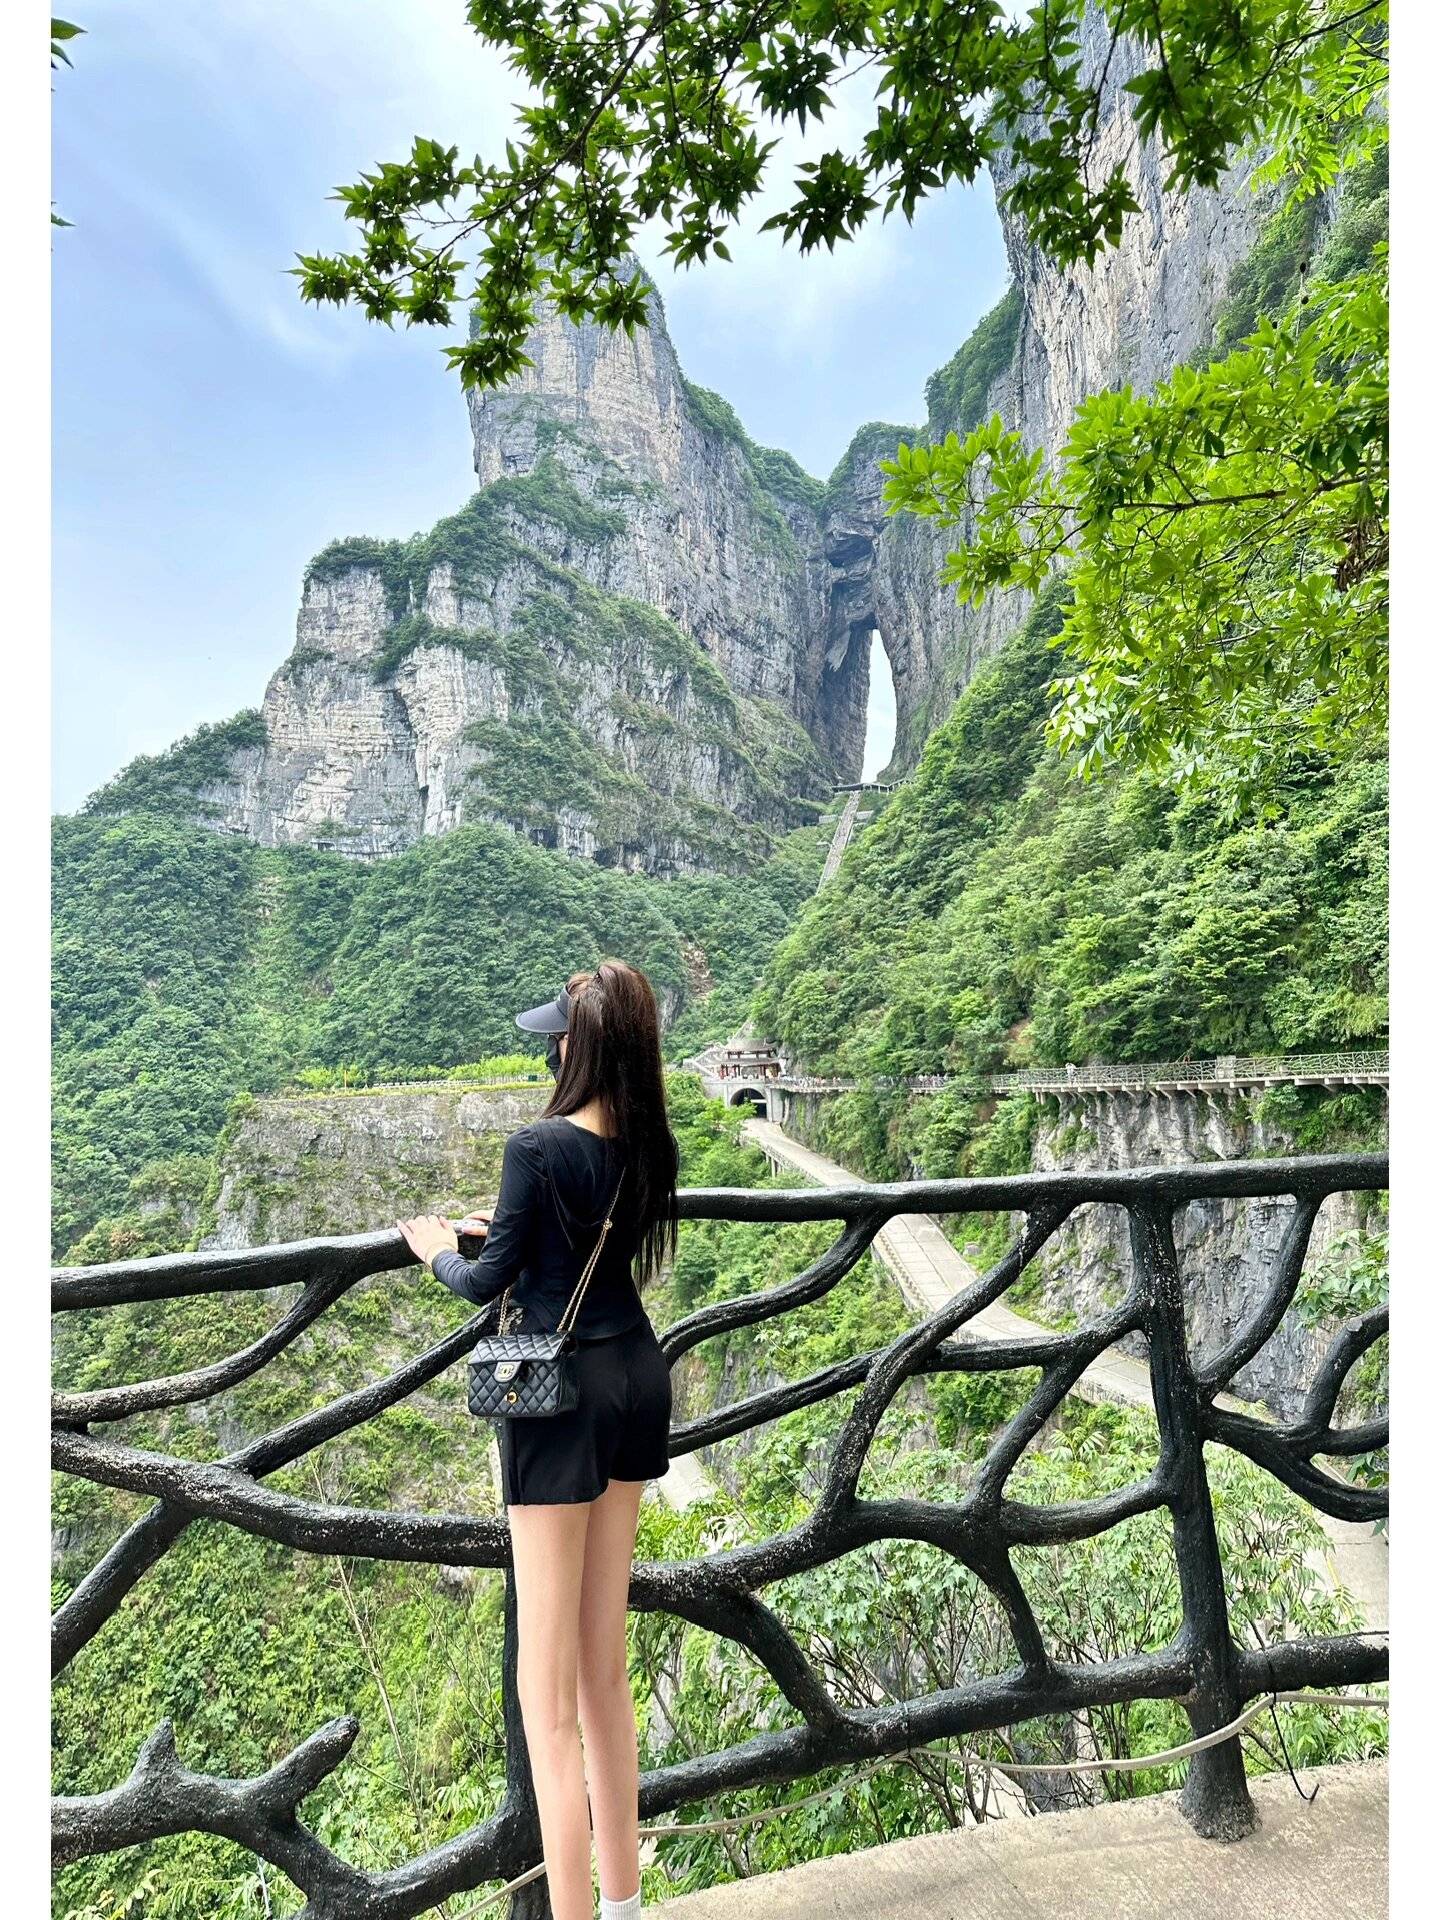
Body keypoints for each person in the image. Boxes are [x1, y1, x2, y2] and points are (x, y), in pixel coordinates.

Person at [396, 961, 679, 1920]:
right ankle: (625, 1905)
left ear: (579, 1045)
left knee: (546, 1705)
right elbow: (579, 1246)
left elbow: (486, 1288)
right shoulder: (648, 1147)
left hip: (559, 1403)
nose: (550, 1046)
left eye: (558, 1034)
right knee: (605, 1674)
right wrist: (510, 1232)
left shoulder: (537, 1145)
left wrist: (438, 1248)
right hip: (635, 1376)